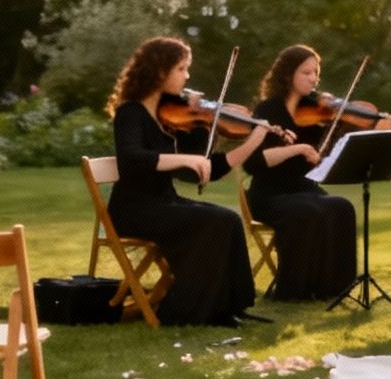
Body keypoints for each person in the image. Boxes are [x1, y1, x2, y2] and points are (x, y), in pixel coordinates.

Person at [105, 37, 275, 327]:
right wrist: (182, 159)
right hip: (134, 210)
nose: (187, 76)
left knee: (229, 218)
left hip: (164, 203)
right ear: (160, 72)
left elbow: (203, 169)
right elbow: (132, 159)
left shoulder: (171, 118)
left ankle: (230, 306)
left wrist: (252, 142)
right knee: (212, 222)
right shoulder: (130, 113)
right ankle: (189, 311)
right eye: (181, 68)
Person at [244, 45, 379, 300]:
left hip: (304, 189)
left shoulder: (317, 113)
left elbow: (328, 156)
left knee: (342, 206)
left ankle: (334, 288)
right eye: (306, 72)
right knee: (308, 211)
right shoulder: (267, 110)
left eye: (315, 73)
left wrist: (369, 127)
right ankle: (294, 290)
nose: (313, 78)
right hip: (270, 194)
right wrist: (298, 149)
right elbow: (253, 163)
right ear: (288, 74)